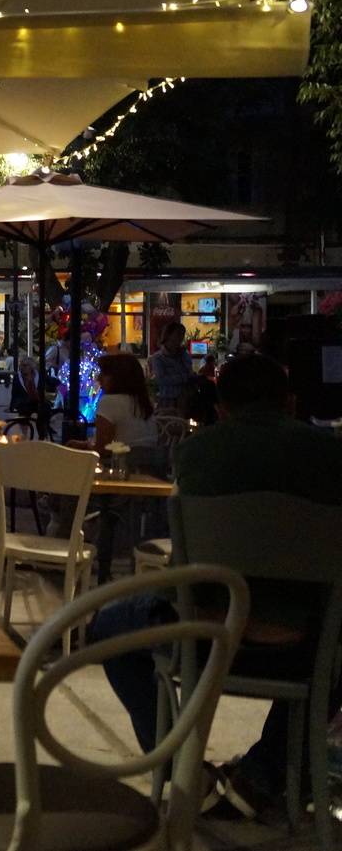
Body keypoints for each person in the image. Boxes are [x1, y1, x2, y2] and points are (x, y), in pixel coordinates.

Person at [86, 353, 342, 817]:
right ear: (288, 402)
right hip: (303, 646)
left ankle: (184, 766)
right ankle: (262, 777)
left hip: (202, 632)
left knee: (107, 626)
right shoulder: (330, 455)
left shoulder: (197, 452)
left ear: (221, 406)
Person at [91, 353, 158, 461]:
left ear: (118, 376)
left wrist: (84, 447)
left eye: (104, 373)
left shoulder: (109, 402)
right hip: (152, 467)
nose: (99, 378)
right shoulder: (143, 401)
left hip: (123, 467)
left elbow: (103, 449)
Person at [148, 321, 193, 414]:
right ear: (168, 335)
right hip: (167, 401)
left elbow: (190, 372)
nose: (180, 338)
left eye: (182, 335)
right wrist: (183, 377)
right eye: (177, 335)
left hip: (185, 400)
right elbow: (162, 379)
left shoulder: (183, 354)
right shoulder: (158, 357)